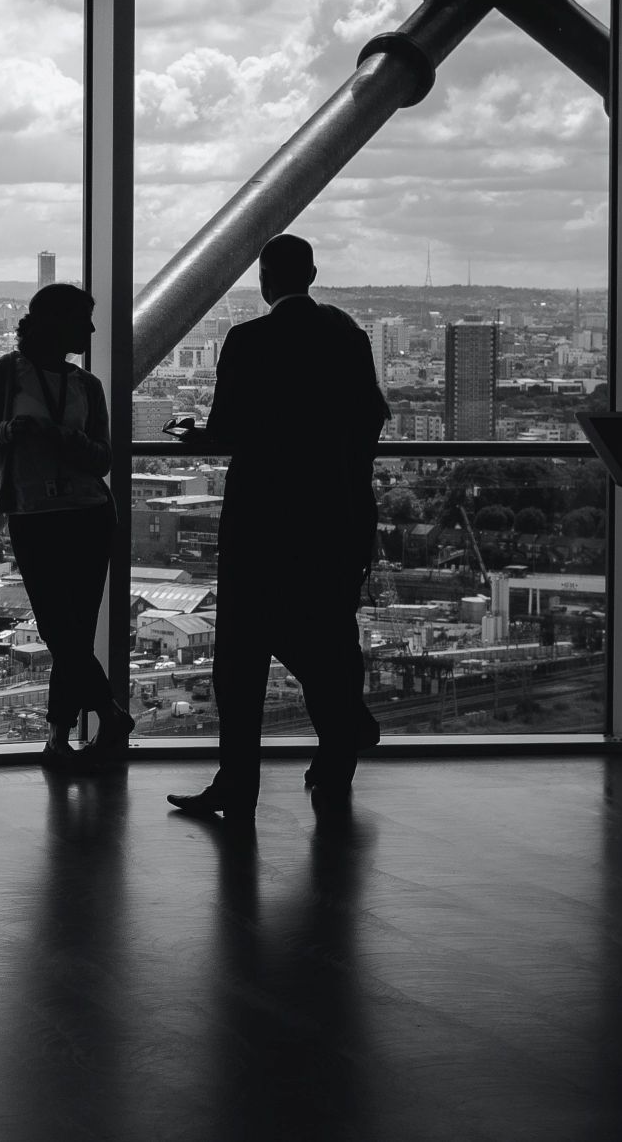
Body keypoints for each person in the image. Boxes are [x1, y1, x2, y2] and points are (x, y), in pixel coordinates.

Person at [167, 234, 389, 821]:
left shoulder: (249, 339)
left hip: (263, 517)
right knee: (329, 634)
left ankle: (238, 784)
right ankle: (338, 753)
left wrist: (193, 437)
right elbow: (371, 419)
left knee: (241, 658)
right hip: (335, 514)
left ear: (265, 280)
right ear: (312, 273)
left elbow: (229, 431)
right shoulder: (349, 340)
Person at [0, 283, 130, 770]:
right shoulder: (4, 375)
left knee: (70, 630)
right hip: (40, 514)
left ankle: (59, 737)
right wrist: (5, 433)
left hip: (85, 513)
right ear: (56, 323)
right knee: (62, 630)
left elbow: (102, 458)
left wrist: (56, 436)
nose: (92, 330)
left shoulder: (85, 385)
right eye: (83, 320)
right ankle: (107, 713)